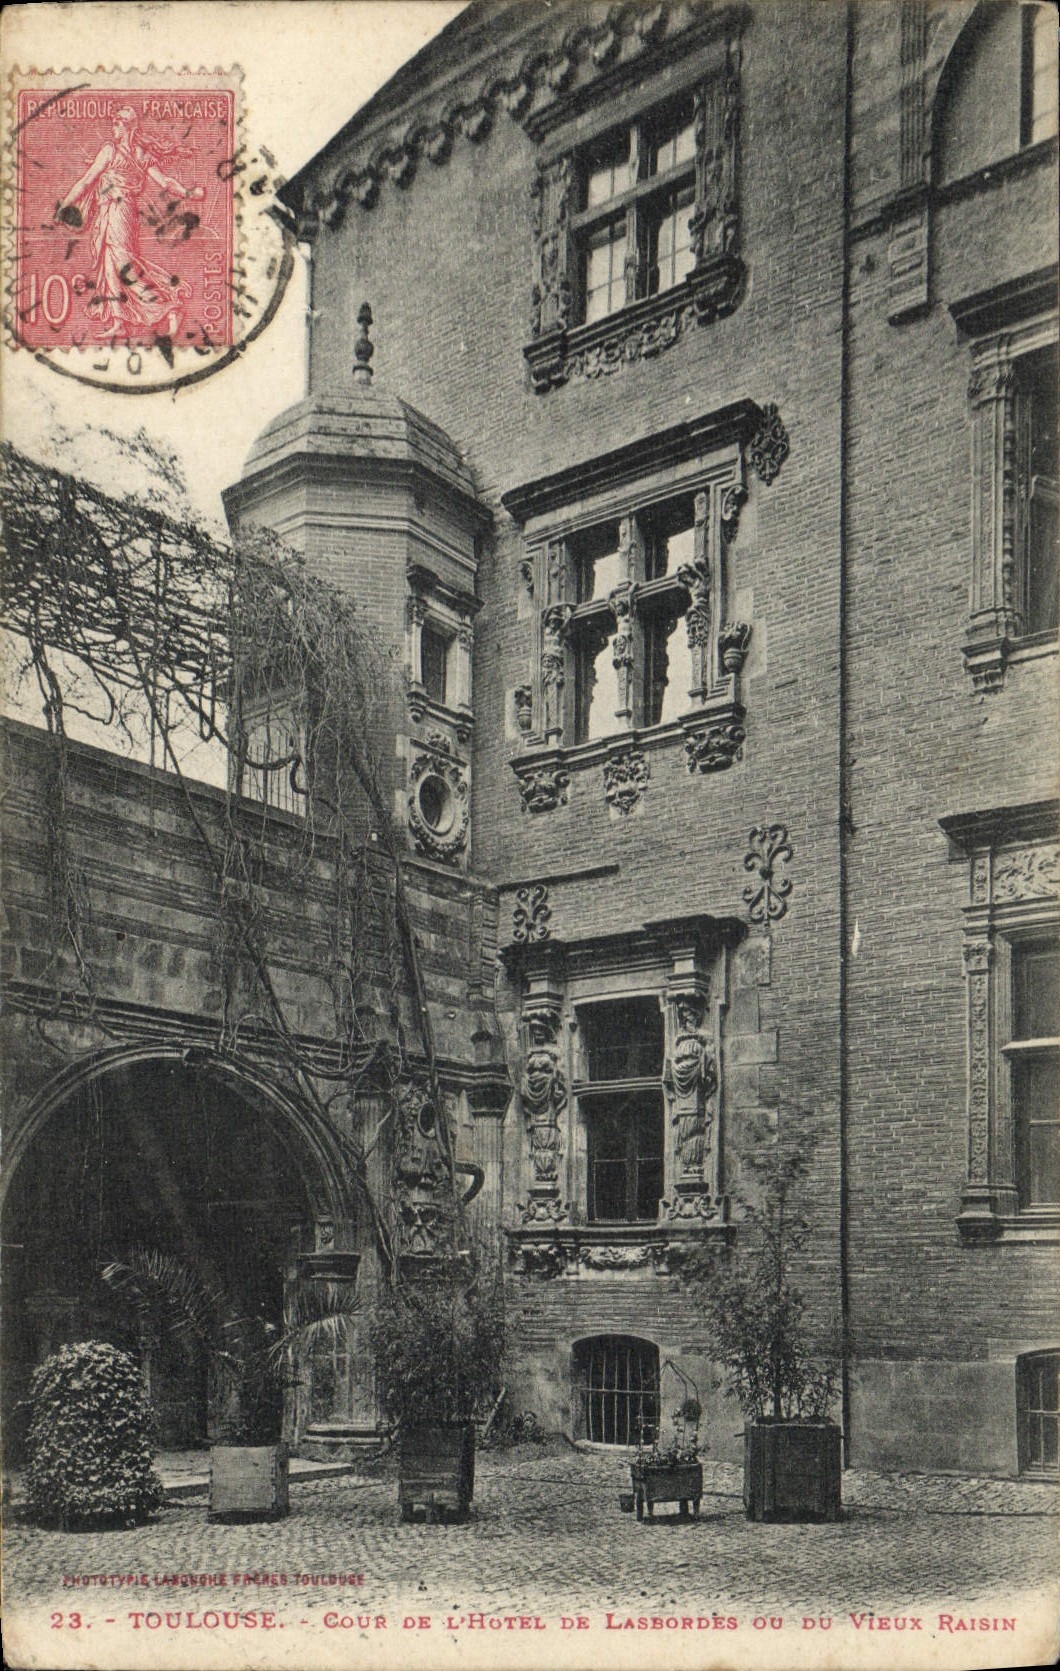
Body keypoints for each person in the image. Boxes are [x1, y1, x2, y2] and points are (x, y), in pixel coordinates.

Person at [56, 105, 204, 340]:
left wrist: (187, 193)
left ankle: (168, 309)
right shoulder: (130, 153)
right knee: (109, 264)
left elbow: (87, 181)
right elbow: (87, 181)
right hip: (110, 212)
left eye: (117, 124)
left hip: (120, 211)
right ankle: (119, 322)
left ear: (128, 127)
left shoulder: (115, 151)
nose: (113, 128)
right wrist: (66, 204)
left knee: (124, 264)